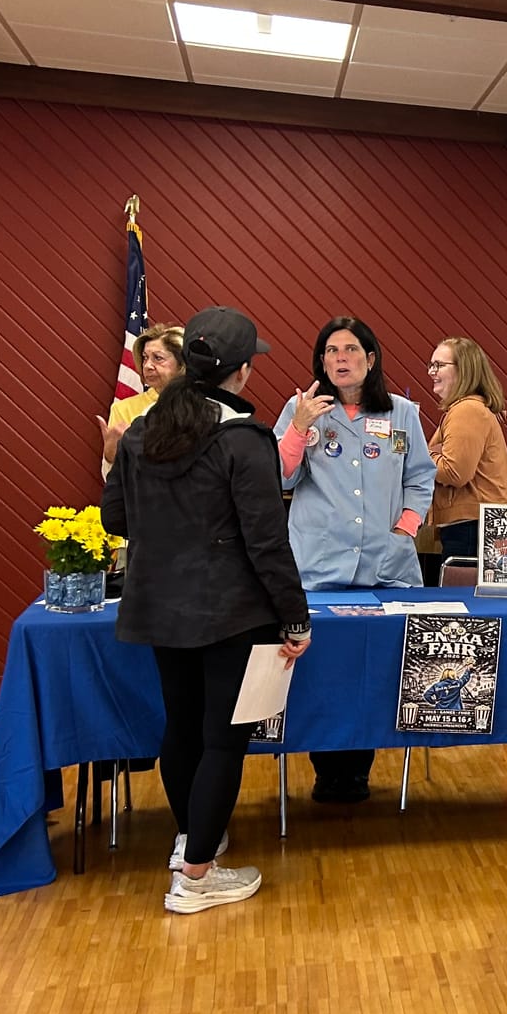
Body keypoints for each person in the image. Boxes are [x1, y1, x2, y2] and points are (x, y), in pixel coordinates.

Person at [102, 307, 311, 913]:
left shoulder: (140, 432)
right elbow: (267, 542)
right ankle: (195, 876)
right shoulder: (244, 439)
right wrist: (296, 618)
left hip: (158, 604)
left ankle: (195, 839)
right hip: (230, 611)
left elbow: (116, 518)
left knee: (182, 728)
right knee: (223, 740)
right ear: (241, 372)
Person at [274, 317, 435, 802]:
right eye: (331, 350)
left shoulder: (402, 412)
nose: (340, 358)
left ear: (370, 359)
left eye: (350, 349)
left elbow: (420, 477)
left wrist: (406, 526)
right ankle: (327, 769)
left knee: (377, 671)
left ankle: (360, 768)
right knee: (323, 673)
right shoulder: (301, 409)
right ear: (321, 361)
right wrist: (299, 428)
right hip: (319, 569)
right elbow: (278, 477)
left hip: (386, 569)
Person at [426, 336, 507, 563]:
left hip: (472, 527)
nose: (431, 372)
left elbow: (454, 472)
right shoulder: (468, 408)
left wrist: (421, 453)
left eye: (439, 365)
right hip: (476, 523)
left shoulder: (467, 410)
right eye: (430, 365)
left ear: (464, 370)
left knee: (464, 587)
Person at [99, 323, 186, 471]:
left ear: (181, 364)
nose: (147, 366)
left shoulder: (202, 406)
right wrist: (111, 456)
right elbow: (110, 477)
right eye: (145, 358)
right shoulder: (124, 409)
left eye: (158, 358)